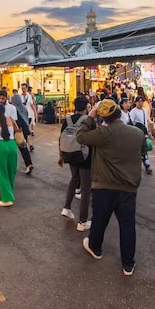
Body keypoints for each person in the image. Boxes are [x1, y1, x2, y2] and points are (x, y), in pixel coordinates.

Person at [76, 99, 145, 276]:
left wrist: (89, 118)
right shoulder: (137, 133)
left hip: (104, 187)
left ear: (103, 117)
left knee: (100, 220)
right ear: (119, 113)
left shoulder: (103, 133)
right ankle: (128, 265)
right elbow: (143, 150)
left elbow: (80, 137)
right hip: (128, 188)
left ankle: (95, 248)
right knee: (128, 226)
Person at [59, 96, 95, 232]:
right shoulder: (88, 121)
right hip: (85, 156)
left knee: (74, 179)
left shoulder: (67, 120)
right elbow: (93, 138)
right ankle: (83, 221)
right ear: (86, 106)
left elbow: (61, 137)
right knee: (86, 188)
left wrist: (61, 155)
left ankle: (66, 207)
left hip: (70, 154)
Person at [0, 90, 33, 174]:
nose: (0, 100)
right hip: (1, 129)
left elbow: (14, 121)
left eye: (2, 98)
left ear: (6, 98)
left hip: (13, 129)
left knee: (21, 146)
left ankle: (28, 164)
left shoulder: (11, 107)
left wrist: (12, 134)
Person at [20, 84, 37, 151]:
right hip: (22, 115)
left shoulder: (29, 96)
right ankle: (29, 144)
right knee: (25, 130)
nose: (23, 90)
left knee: (25, 130)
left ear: (27, 88)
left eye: (24, 88)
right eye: (22, 88)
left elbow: (32, 104)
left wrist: (35, 112)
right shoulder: (19, 96)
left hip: (29, 115)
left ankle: (28, 144)